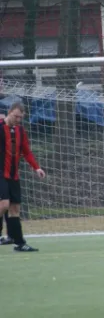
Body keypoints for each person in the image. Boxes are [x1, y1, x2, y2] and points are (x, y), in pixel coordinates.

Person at [0, 103, 45, 251]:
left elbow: (26, 152)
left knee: (15, 209)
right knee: (4, 205)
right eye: (15, 116)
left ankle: (19, 243)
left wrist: (36, 167)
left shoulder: (20, 130)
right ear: (9, 112)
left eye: (20, 117)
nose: (18, 119)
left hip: (14, 175)